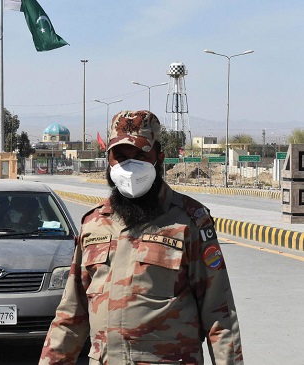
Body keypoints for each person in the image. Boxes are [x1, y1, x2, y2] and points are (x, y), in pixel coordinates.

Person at [39, 110, 243, 364]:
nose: (130, 167)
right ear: (109, 160)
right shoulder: (93, 225)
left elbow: (220, 316)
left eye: (140, 156)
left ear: (159, 158)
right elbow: (71, 315)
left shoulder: (189, 221)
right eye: (121, 157)